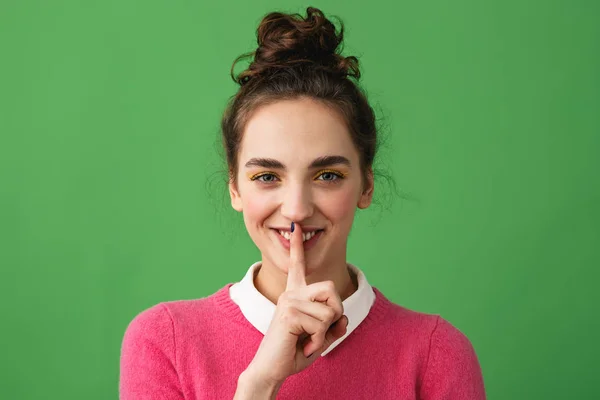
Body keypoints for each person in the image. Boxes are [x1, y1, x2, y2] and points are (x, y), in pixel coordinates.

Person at [119, 6, 486, 399]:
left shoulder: (436, 352)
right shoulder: (164, 340)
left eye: (327, 176)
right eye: (267, 177)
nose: (296, 209)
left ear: (366, 186)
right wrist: (259, 383)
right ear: (235, 189)